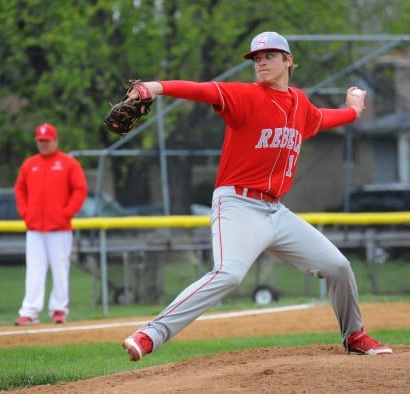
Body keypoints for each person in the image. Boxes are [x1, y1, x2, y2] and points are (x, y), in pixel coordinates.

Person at [122, 31, 392, 361]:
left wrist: (353, 110)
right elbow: (202, 90)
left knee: (338, 265)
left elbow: (324, 118)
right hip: (237, 204)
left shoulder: (300, 105)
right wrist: (156, 87)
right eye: (257, 58)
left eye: (270, 56)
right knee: (229, 274)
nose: (261, 62)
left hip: (275, 212)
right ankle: (151, 335)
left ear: (288, 60)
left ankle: (355, 336)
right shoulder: (244, 96)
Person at [14, 123, 88, 325]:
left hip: (59, 228)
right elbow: (19, 189)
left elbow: (80, 190)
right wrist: (25, 213)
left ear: (55, 140)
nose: (43, 144)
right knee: (34, 269)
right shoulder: (30, 164)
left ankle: (58, 309)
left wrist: (66, 213)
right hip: (35, 227)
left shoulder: (68, 163)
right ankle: (29, 311)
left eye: (47, 141)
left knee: (60, 268)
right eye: (40, 141)